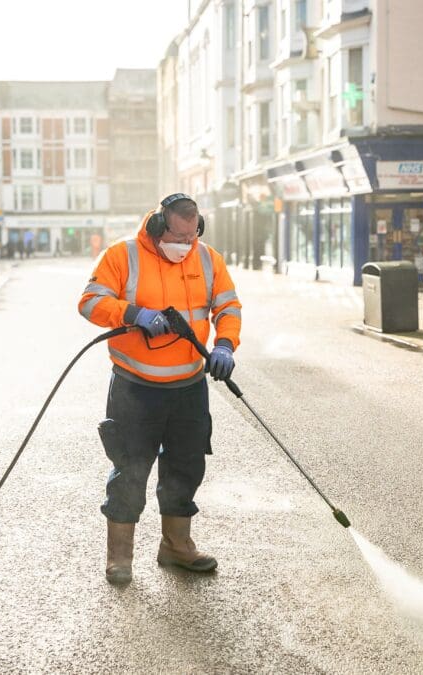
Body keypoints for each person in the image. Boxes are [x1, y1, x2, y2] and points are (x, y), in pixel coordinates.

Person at [78, 193, 241, 585]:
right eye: (178, 236)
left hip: (189, 388)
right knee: (130, 470)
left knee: (186, 467)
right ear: (156, 226)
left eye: (191, 236)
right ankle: (120, 557)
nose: (185, 245)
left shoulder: (208, 259)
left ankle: (176, 546)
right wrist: (133, 313)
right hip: (136, 389)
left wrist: (224, 345)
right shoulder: (122, 256)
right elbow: (90, 303)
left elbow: (228, 307)